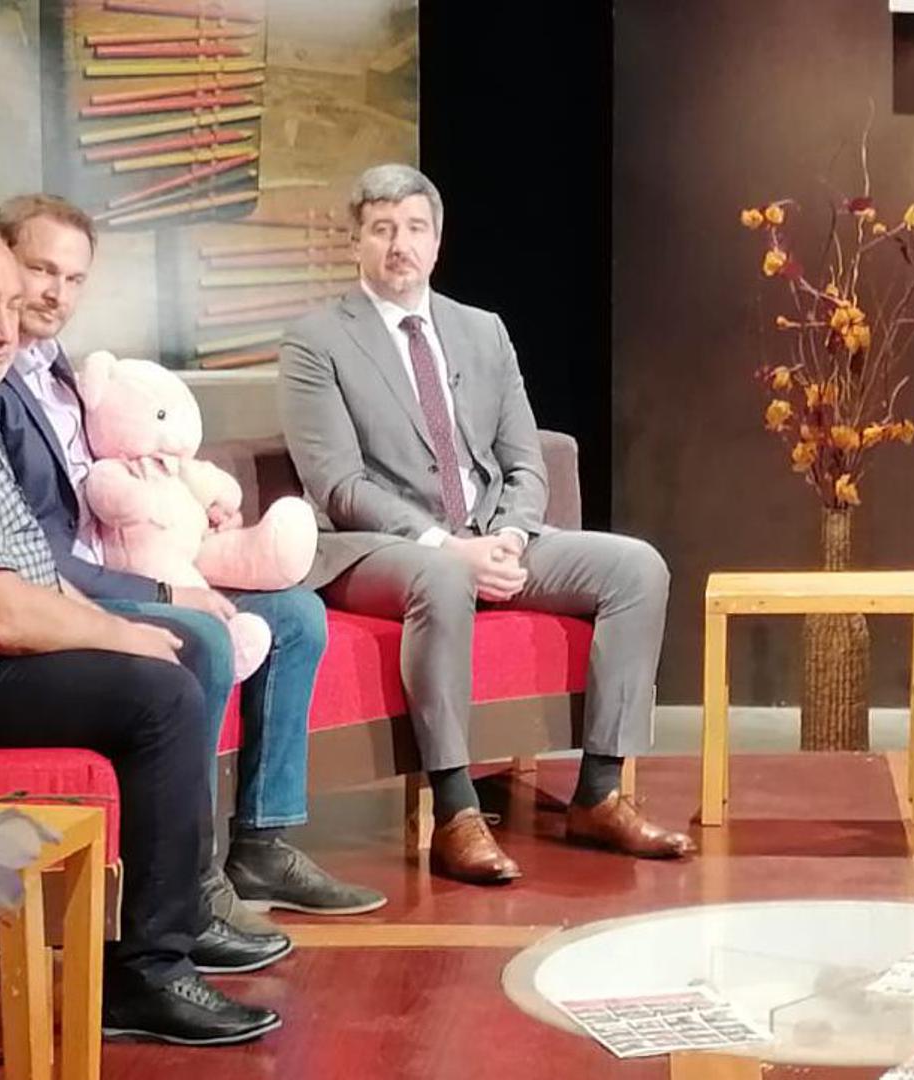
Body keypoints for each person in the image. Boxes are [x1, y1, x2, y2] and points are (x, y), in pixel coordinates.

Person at [0, 221, 282, 1044]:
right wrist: (118, 634)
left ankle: (177, 911)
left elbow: (18, 566)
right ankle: (149, 974)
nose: (5, 328)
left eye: (12, 305)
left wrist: (113, 625)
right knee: (161, 696)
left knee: (172, 652)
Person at [278, 163, 693, 885]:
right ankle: (456, 811)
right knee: (442, 576)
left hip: (492, 535)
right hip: (380, 548)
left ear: (437, 242)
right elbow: (339, 486)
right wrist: (447, 546)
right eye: (382, 230)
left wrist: (508, 536)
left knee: (637, 568)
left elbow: (525, 462)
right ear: (355, 244)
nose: (400, 245)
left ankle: (599, 794)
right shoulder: (316, 342)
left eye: (414, 228)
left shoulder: (482, 331)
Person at [0, 195, 385, 939]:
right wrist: (168, 589)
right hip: (72, 593)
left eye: (74, 278)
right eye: (41, 270)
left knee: (296, 615)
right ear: (0, 262)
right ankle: (189, 879)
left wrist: (193, 507)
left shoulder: (61, 370)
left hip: (127, 564)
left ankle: (261, 844)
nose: (57, 293)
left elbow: (114, 469)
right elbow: (36, 554)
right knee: (197, 635)